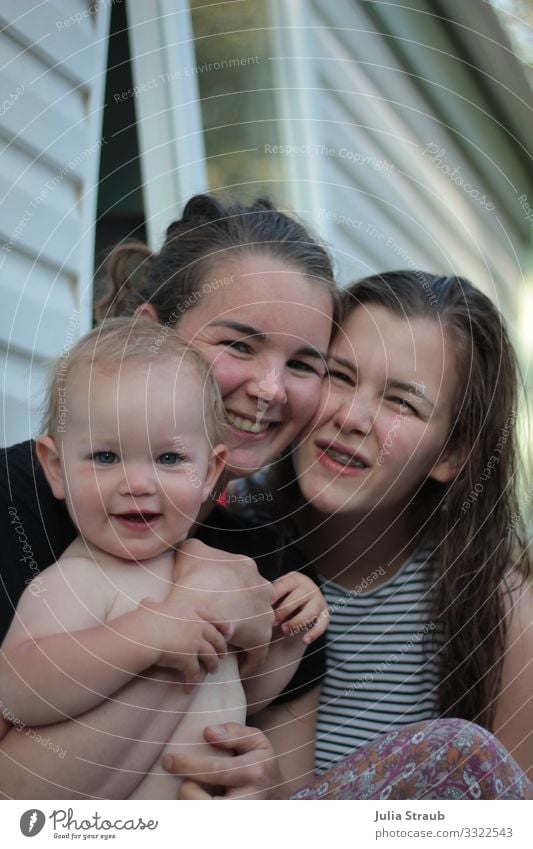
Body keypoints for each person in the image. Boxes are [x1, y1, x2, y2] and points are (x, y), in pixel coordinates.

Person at [0, 194, 336, 798]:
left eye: (304, 364)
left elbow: (285, 777)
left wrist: (265, 792)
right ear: (149, 333)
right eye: (238, 344)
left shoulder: (276, 563)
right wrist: (191, 608)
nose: (269, 388)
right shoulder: (14, 506)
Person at [170, 270, 532, 798]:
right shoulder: (202, 525)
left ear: (452, 453)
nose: (351, 417)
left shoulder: (500, 610)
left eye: (402, 402)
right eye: (339, 376)